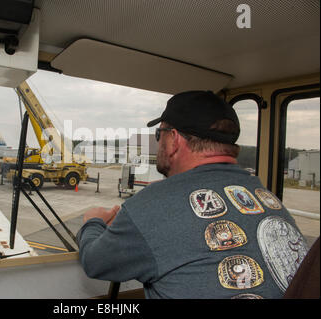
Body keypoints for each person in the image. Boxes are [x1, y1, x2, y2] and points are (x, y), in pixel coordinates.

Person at [77, 90, 310, 299]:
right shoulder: (265, 196)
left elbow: (95, 262)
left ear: (174, 139)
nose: (158, 143)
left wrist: (93, 222)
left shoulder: (153, 204)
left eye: (159, 135)